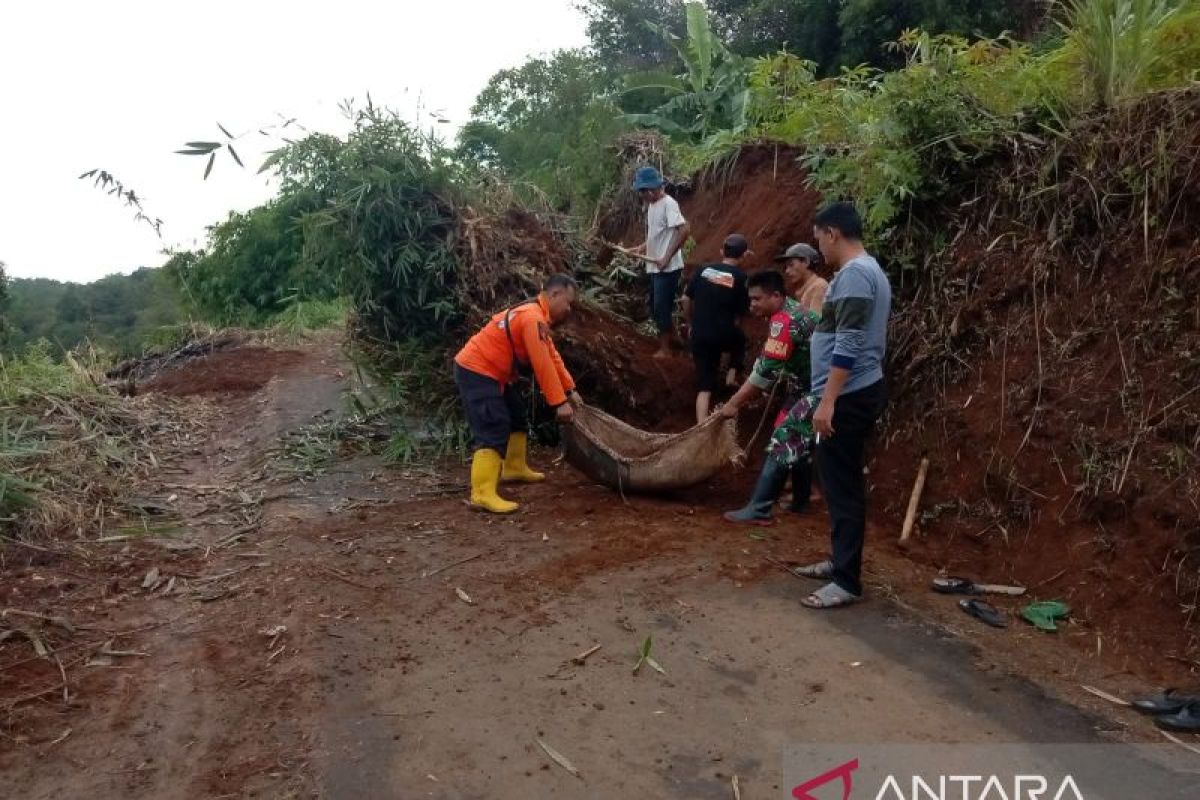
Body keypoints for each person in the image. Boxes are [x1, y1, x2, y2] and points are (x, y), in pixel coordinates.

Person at [795, 202, 891, 610]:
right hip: (849, 393)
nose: (819, 246)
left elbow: (849, 342)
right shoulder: (867, 271)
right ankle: (839, 562)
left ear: (832, 233)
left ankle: (847, 580)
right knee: (834, 480)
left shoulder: (854, 275)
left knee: (843, 484)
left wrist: (828, 401)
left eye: (819, 237)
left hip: (847, 396)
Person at [454, 274, 583, 514]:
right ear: (554, 295)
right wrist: (559, 403)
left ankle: (513, 467)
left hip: (494, 373)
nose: (568, 309)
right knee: (494, 425)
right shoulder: (531, 317)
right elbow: (541, 363)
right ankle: (481, 493)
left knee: (516, 415)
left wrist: (570, 389)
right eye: (568, 302)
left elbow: (551, 354)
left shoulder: (536, 316)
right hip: (477, 370)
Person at [719, 270, 820, 525]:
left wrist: (734, 403)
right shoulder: (789, 311)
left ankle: (760, 508)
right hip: (805, 386)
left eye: (757, 299)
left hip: (819, 388)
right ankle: (800, 500)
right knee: (797, 441)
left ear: (776, 296)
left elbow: (766, 373)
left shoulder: (784, 321)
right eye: (750, 299)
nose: (752, 304)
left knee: (783, 439)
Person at [682, 233, 750, 424]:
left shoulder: (703, 270)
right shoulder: (742, 278)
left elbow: (686, 299)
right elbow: (741, 316)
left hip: (700, 333)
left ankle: (701, 426)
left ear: (722, 251)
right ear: (744, 256)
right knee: (740, 340)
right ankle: (730, 375)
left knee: (705, 385)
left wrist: (690, 323)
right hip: (724, 334)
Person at [629, 166, 691, 359]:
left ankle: (666, 349)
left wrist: (667, 257)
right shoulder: (653, 206)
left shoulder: (668, 204)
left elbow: (684, 230)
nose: (642, 196)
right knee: (657, 306)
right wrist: (641, 247)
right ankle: (676, 339)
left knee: (660, 308)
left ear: (649, 190)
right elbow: (657, 233)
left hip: (668, 268)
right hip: (657, 266)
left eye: (642, 192)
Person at [777, 242, 829, 313]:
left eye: (791, 265)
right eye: (786, 267)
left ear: (806, 262)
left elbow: (816, 322)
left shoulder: (819, 287)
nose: (787, 271)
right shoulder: (806, 290)